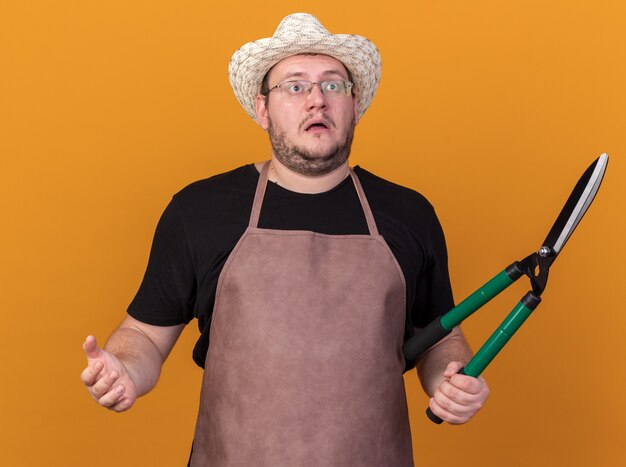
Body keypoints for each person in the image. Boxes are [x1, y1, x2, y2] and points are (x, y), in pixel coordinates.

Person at [81, 13, 489, 466]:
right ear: (262, 109)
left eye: (334, 85)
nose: (317, 100)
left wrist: (451, 380)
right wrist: (123, 369)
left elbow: (438, 337)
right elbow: (144, 336)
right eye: (295, 86)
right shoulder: (199, 211)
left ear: (354, 106)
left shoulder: (409, 214)